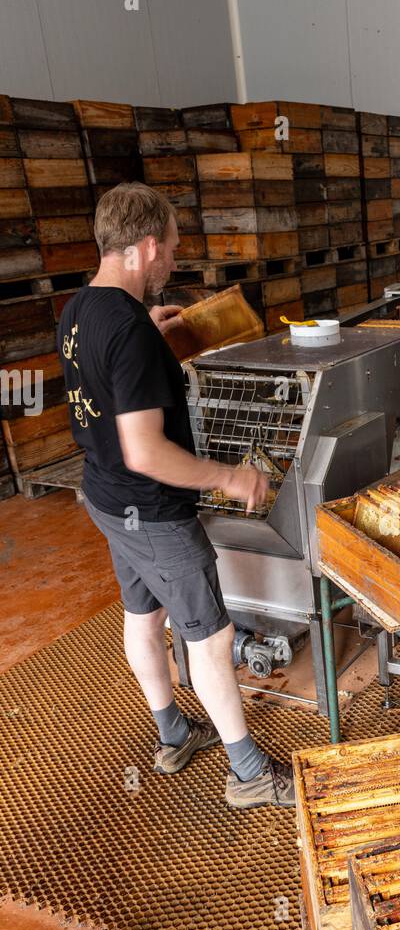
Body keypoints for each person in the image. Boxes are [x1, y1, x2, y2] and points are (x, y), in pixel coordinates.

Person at [57, 182, 293, 809]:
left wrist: (148, 336)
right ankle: (248, 774)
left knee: (143, 618)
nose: (173, 264)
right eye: (171, 251)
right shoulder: (130, 331)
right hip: (152, 509)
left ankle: (173, 735)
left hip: (105, 498)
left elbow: (109, 380)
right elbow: (145, 450)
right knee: (209, 637)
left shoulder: (80, 308)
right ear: (148, 246)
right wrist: (228, 476)